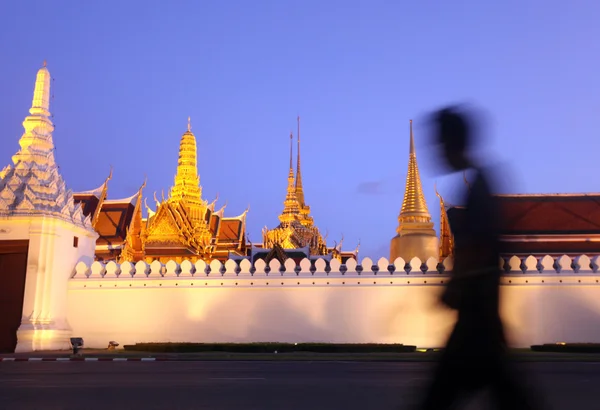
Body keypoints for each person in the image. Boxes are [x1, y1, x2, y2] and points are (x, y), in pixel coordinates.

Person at [417, 107, 538, 409]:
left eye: (441, 143)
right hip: (479, 323)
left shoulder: (480, 189)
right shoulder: (479, 184)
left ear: (454, 143)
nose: (438, 151)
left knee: (438, 397)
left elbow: (478, 251)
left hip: (476, 321)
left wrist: (453, 287)